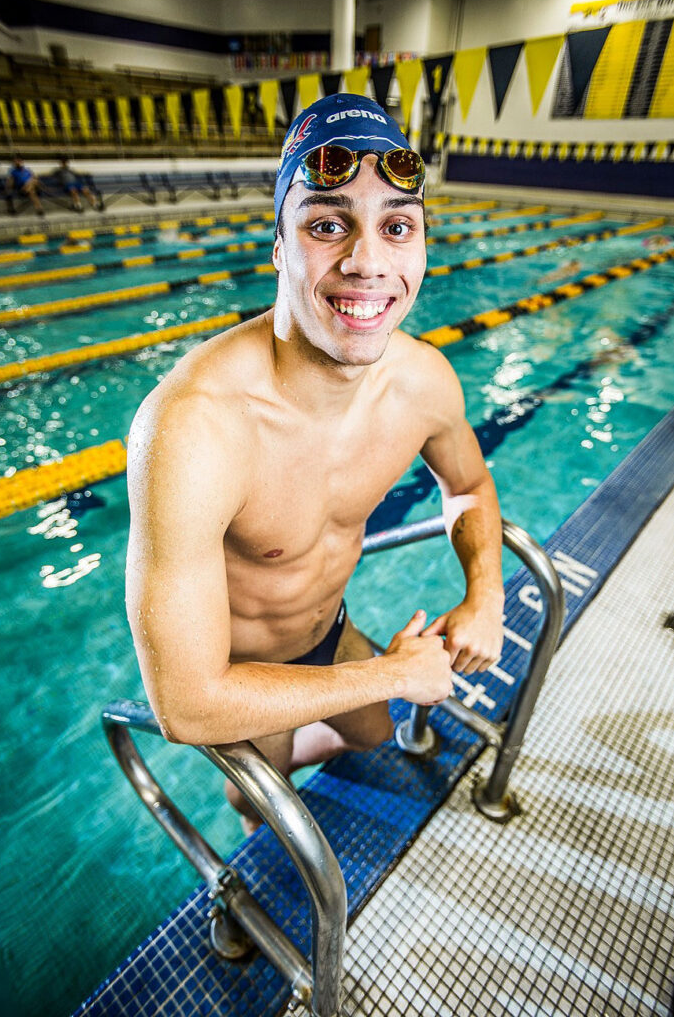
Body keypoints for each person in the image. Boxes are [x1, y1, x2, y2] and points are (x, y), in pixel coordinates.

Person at [125, 93, 505, 833]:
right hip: (237, 675)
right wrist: (395, 673)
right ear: (278, 245)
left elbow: (468, 484)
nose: (367, 262)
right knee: (260, 806)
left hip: (330, 632)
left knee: (371, 733)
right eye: (327, 225)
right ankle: (232, 898)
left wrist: (485, 591)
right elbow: (184, 701)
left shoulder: (424, 381)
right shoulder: (194, 428)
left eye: (397, 226)